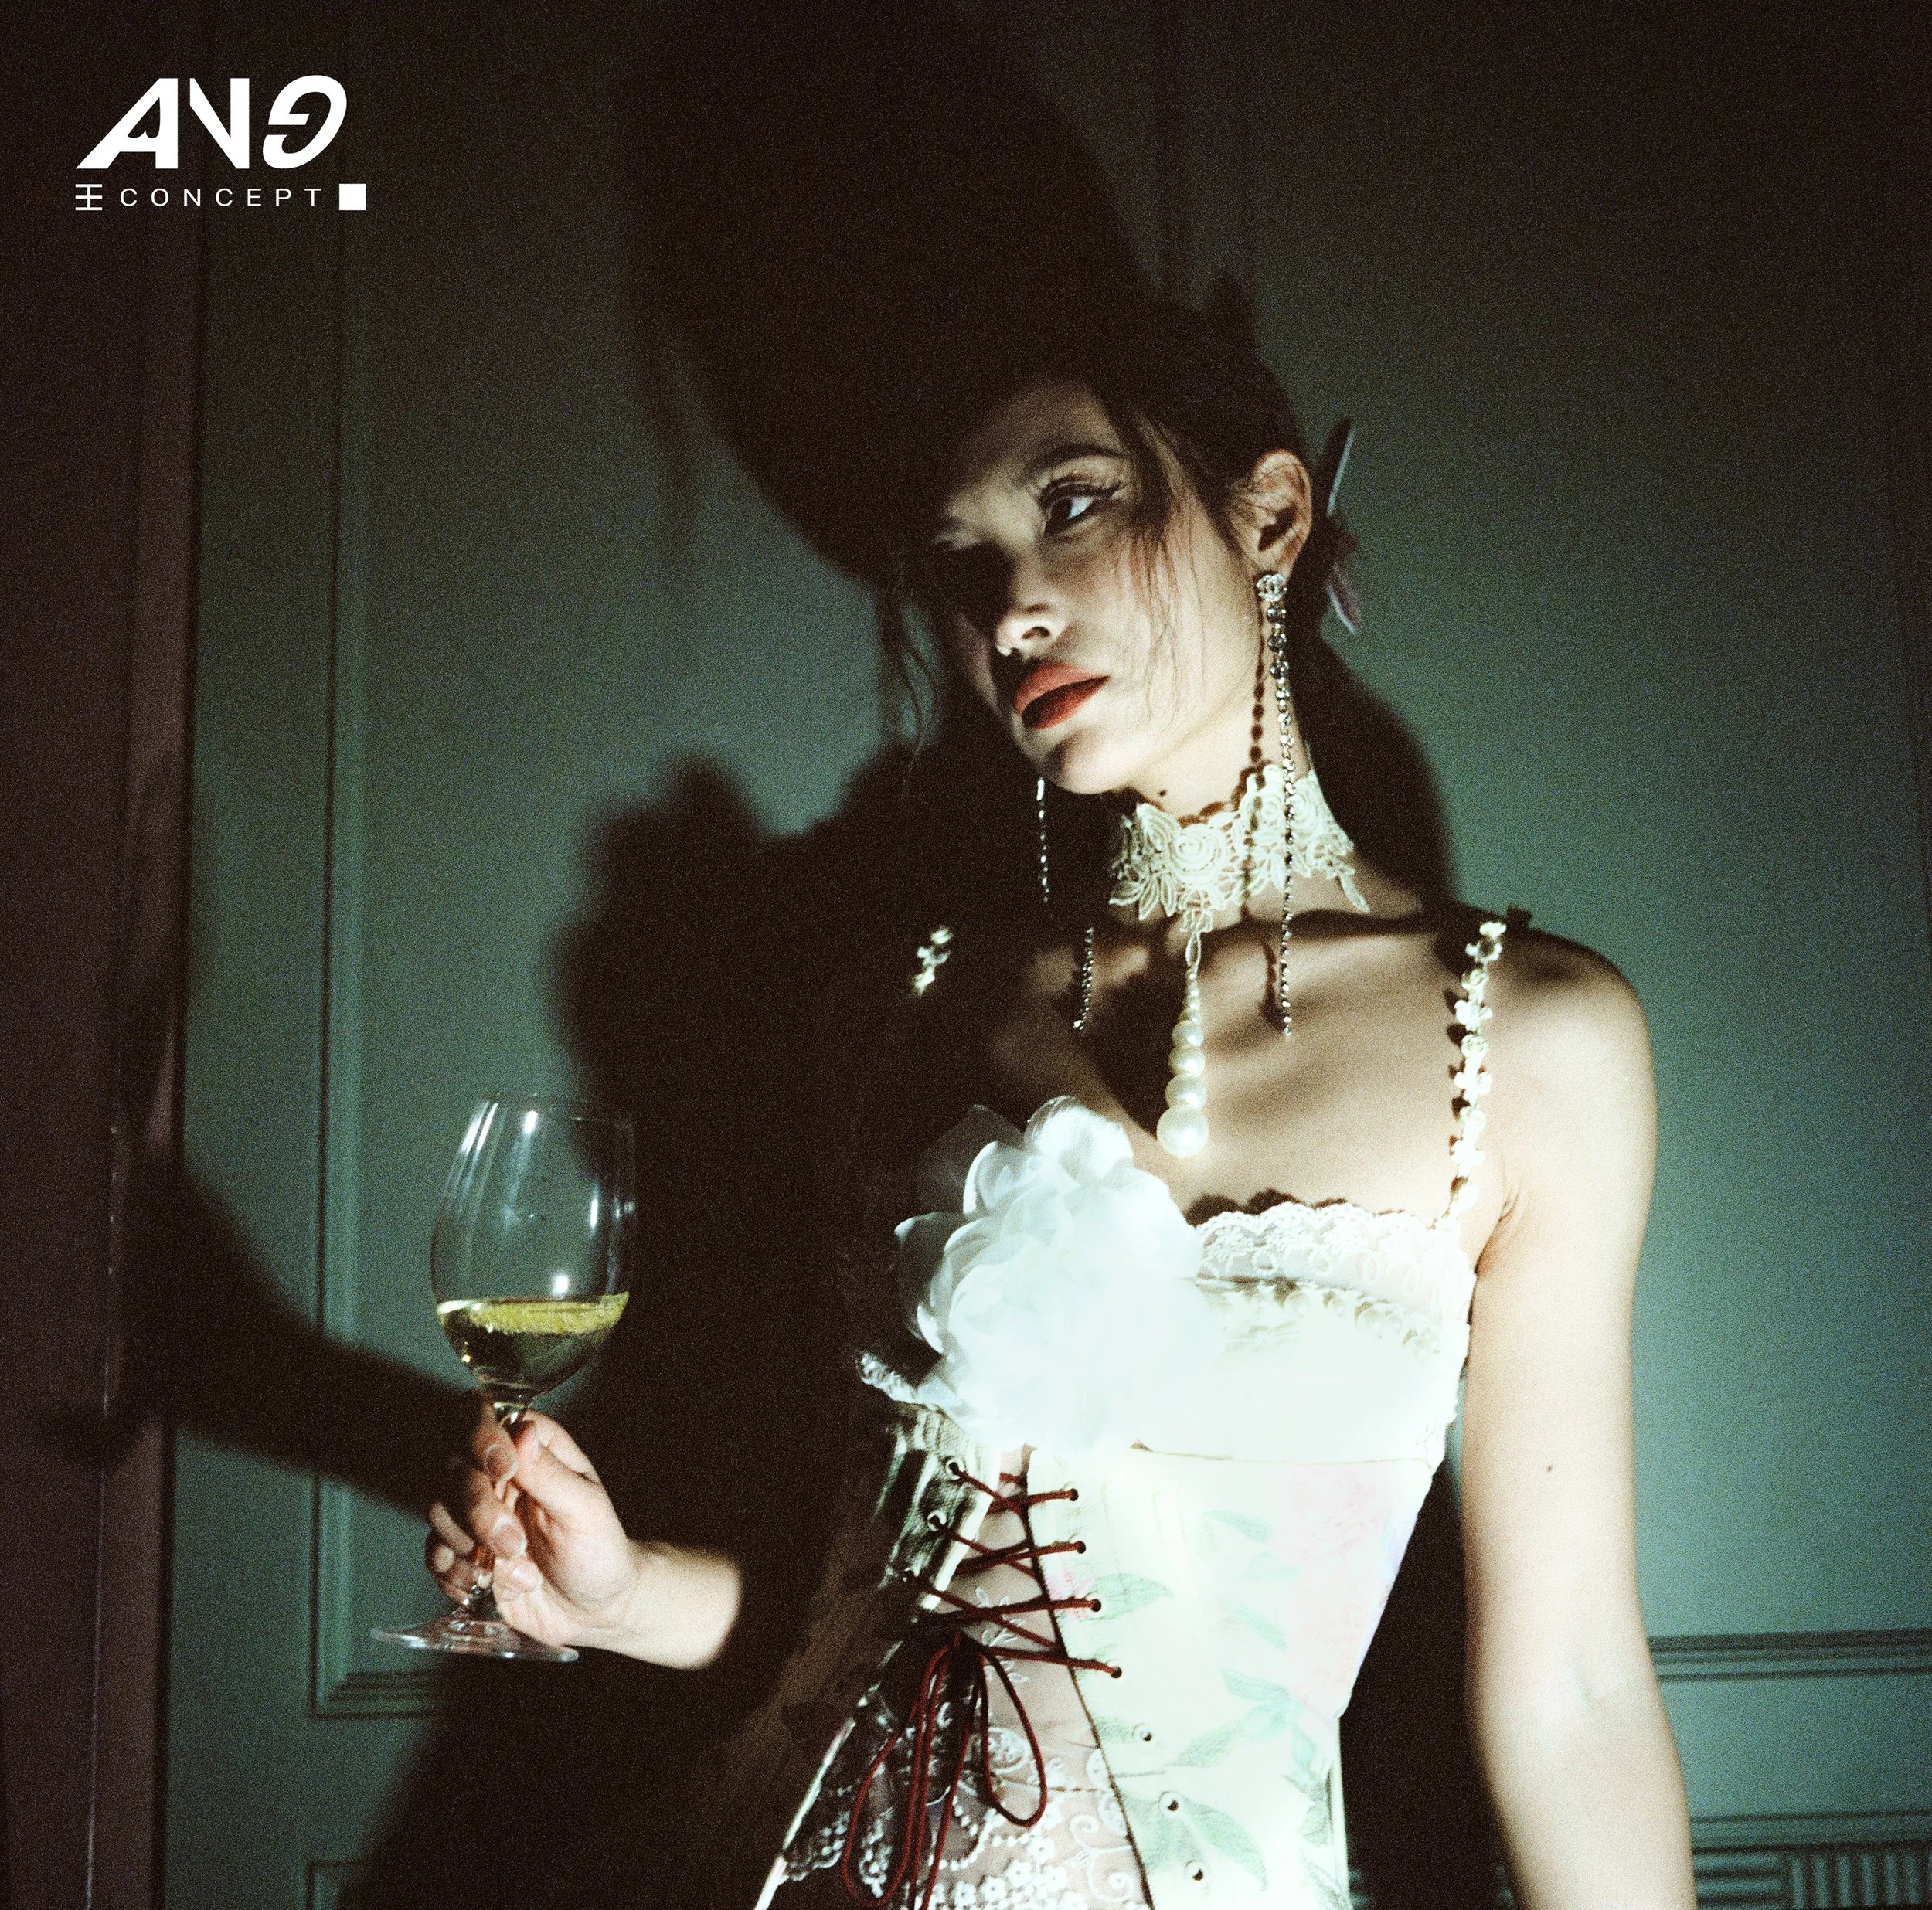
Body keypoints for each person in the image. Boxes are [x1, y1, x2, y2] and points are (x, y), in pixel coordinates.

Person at [420, 291, 1697, 1908]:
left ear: (1269, 514)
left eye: (1071, 504)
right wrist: (616, 1593)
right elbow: (853, 1608)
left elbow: (1569, 1686)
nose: (1012, 604)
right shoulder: (905, 1005)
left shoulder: (1525, 1038)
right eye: (959, 565)